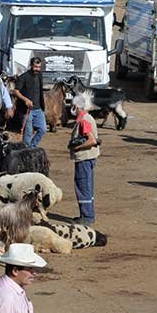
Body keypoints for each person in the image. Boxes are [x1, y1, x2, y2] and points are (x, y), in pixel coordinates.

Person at [69, 93, 100, 225]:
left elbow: (92, 140)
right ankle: (86, 214)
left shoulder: (83, 120)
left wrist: (77, 148)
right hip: (89, 157)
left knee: (83, 186)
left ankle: (87, 217)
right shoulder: (86, 118)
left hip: (84, 158)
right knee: (86, 185)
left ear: (76, 106)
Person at [11, 57, 47, 148]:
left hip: (38, 108)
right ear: (31, 66)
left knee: (43, 129)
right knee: (28, 132)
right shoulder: (23, 77)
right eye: (35, 67)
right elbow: (15, 91)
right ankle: (26, 149)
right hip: (26, 110)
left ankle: (31, 147)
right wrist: (25, 99)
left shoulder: (39, 75)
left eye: (39, 67)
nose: (37, 69)